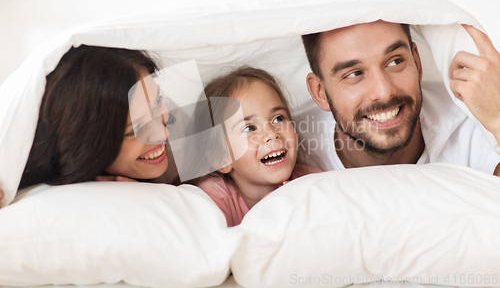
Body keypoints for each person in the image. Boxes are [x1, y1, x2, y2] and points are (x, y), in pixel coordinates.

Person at [301, 20, 500, 175]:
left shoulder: (471, 121)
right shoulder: (291, 149)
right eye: (354, 74)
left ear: (416, 62)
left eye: (395, 61)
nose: (384, 91)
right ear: (320, 92)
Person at [18, 45, 177, 190]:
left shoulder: (186, 141)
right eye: (134, 129)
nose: (163, 133)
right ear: (85, 146)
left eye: (157, 102)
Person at [192, 67, 321, 227]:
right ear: (221, 159)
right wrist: (265, 216)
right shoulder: (213, 198)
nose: (272, 134)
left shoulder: (312, 181)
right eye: (249, 128)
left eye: (278, 118)